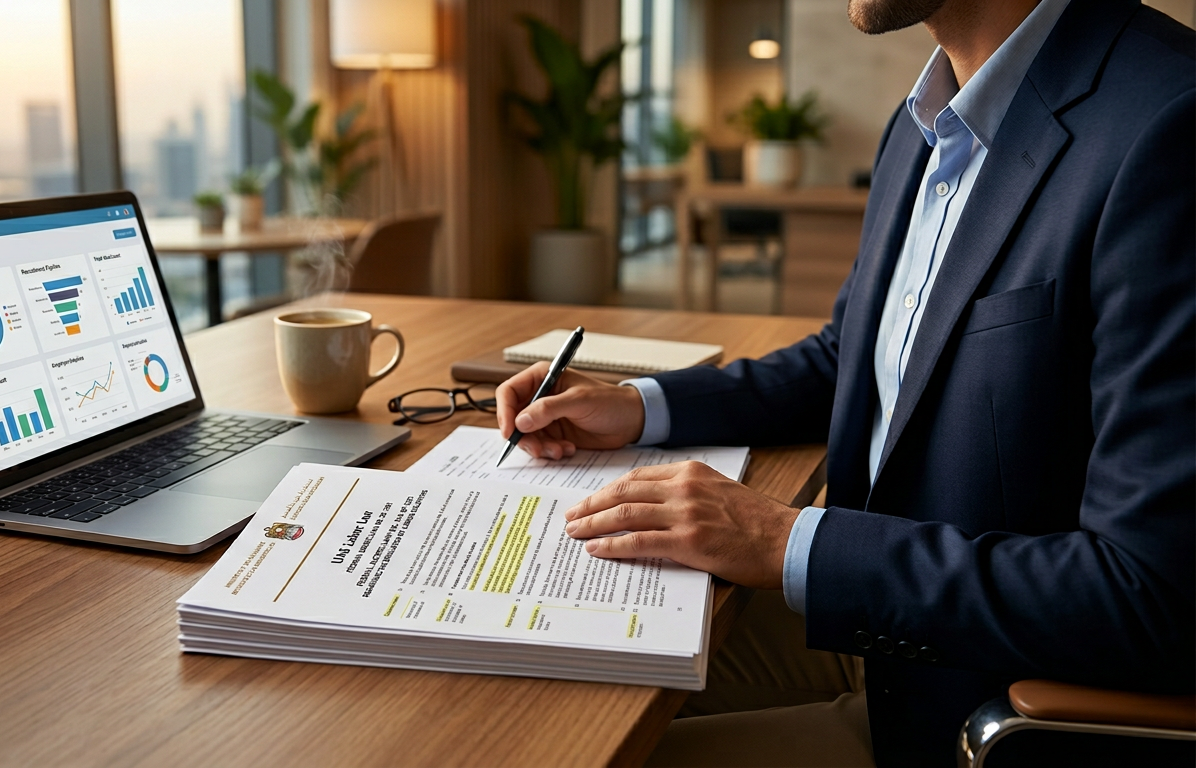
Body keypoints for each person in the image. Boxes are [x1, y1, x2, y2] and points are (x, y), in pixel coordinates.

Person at [495, 0, 1194, 764]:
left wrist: (782, 539)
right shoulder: (928, 118)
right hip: (892, 635)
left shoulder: (1169, 124)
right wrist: (639, 407)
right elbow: (848, 357)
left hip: (991, 706)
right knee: (529, 683)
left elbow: (1151, 596)